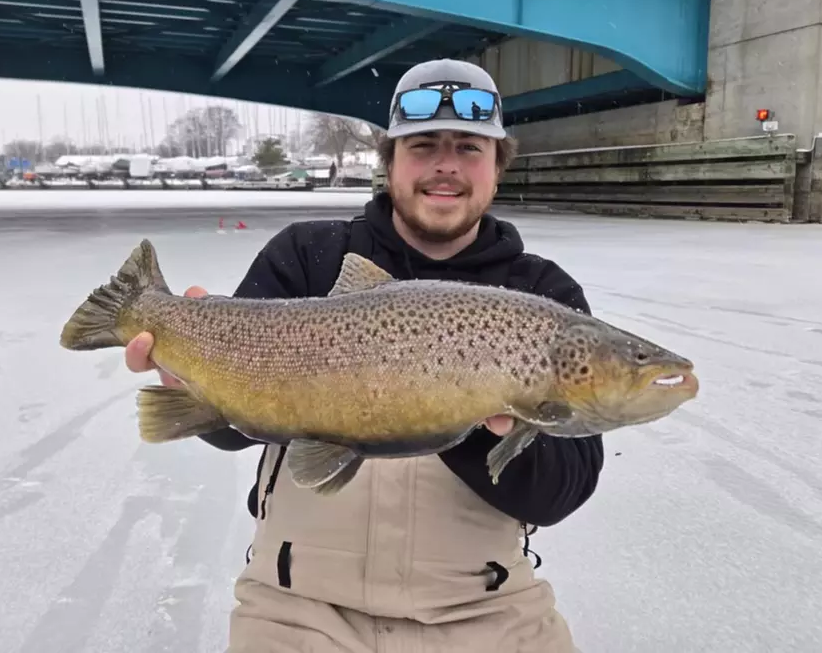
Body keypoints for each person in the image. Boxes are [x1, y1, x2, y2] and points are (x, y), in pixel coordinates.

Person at [125, 58, 604, 652]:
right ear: (391, 163)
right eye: (423, 145)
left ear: (497, 168)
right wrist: (192, 374)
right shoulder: (307, 255)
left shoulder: (542, 296)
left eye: (469, 148)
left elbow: (558, 495)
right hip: (297, 608)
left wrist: (471, 409)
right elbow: (234, 433)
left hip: (488, 611)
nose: (446, 165)